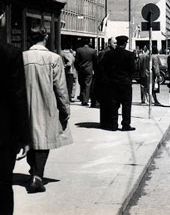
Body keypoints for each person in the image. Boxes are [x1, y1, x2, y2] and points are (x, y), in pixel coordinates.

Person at [22, 26, 72, 193]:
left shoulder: (22, 57)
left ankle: (33, 171)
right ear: (45, 38)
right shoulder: (53, 58)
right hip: (46, 104)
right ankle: (37, 175)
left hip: (26, 104)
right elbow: (60, 87)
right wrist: (65, 109)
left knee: (31, 139)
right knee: (43, 139)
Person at [0, 43, 31, 214]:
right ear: (2, 16)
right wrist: (25, 136)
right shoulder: (10, 53)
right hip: (4, 132)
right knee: (3, 183)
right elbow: (18, 96)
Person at [101, 35, 136, 131]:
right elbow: (133, 69)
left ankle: (113, 124)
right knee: (126, 105)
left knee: (113, 104)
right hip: (125, 83)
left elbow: (104, 68)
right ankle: (125, 124)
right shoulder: (129, 55)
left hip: (112, 83)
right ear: (125, 44)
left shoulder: (109, 54)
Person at [95, 37, 117, 129]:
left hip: (105, 81)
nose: (116, 44)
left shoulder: (109, 53)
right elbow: (100, 67)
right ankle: (105, 122)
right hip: (105, 82)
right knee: (106, 103)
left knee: (105, 104)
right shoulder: (105, 53)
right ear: (109, 43)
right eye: (114, 43)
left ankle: (105, 122)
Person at [75, 38, 97, 106]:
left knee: (81, 83)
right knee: (87, 84)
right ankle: (85, 100)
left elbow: (76, 61)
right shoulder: (93, 51)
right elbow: (95, 61)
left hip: (81, 69)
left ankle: (82, 97)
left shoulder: (79, 50)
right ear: (89, 43)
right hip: (89, 69)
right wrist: (94, 69)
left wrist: (77, 68)